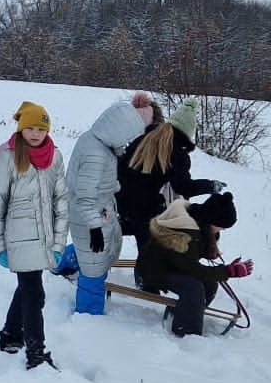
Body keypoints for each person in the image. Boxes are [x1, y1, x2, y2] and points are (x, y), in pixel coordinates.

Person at [0, 101, 71, 370]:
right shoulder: (8, 157)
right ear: (21, 128)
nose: (35, 134)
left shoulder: (55, 157)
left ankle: (11, 336)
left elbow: (61, 202)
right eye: (30, 128)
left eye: (41, 129)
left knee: (30, 291)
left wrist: (59, 244)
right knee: (34, 294)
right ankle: (36, 353)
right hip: (19, 238)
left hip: (45, 238)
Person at [68, 91, 154, 314]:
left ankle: (62, 261)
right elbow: (85, 197)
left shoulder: (96, 142)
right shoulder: (96, 154)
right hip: (90, 217)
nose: (128, 142)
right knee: (93, 269)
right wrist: (95, 226)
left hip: (96, 213)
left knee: (89, 254)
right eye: (128, 137)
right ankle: (89, 315)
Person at [135, 193, 252, 337]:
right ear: (211, 220)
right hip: (152, 270)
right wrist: (229, 271)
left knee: (209, 284)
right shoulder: (183, 233)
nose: (222, 231)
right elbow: (194, 270)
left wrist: (210, 251)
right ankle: (187, 333)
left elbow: (191, 254)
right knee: (193, 287)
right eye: (221, 227)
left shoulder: (198, 222)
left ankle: (184, 313)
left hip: (171, 266)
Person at [116, 99, 220, 253]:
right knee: (151, 250)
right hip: (145, 209)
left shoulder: (146, 138)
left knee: (139, 224)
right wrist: (210, 185)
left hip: (120, 201)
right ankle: (147, 272)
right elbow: (183, 187)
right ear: (187, 134)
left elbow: (121, 166)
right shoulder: (176, 152)